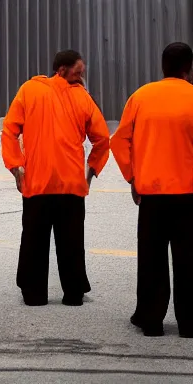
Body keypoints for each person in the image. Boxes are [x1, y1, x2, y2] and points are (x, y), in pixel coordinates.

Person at [2, 50, 110, 307]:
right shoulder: (82, 98)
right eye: (78, 72)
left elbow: (9, 130)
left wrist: (16, 167)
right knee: (71, 242)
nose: (81, 76)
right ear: (62, 70)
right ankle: (73, 293)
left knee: (34, 241)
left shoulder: (29, 90)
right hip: (71, 184)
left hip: (37, 183)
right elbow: (103, 138)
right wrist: (91, 170)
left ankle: (33, 293)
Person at [110, 42, 193, 338]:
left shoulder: (141, 96)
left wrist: (133, 177)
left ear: (163, 66)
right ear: (188, 68)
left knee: (152, 258)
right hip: (188, 194)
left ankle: (151, 318)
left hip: (152, 194)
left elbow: (118, 141)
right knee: (189, 259)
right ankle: (189, 322)